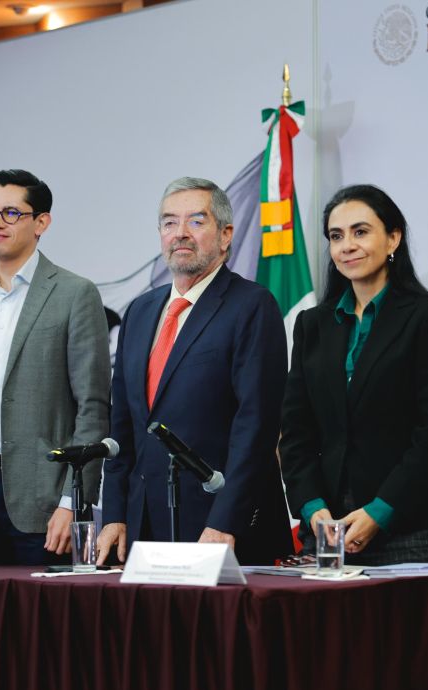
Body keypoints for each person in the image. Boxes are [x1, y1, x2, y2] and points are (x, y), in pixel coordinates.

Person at [97, 177, 292, 565]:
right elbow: (122, 426)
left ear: (225, 235)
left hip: (220, 528)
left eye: (196, 221)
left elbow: (256, 427)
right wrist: (115, 513)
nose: (180, 233)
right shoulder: (140, 312)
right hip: (144, 525)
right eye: (169, 222)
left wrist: (225, 521)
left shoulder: (252, 306)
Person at [0, 169, 111, 564]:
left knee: (42, 605)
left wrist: (72, 500)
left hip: (46, 500)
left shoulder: (74, 294)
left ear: (41, 222)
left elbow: (92, 409)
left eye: (11, 213)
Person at [280, 184, 428, 564]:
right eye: (336, 236)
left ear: (393, 238)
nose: (347, 246)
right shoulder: (312, 325)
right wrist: (312, 507)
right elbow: (296, 432)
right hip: (327, 530)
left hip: (408, 531)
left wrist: (379, 512)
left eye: (360, 232)